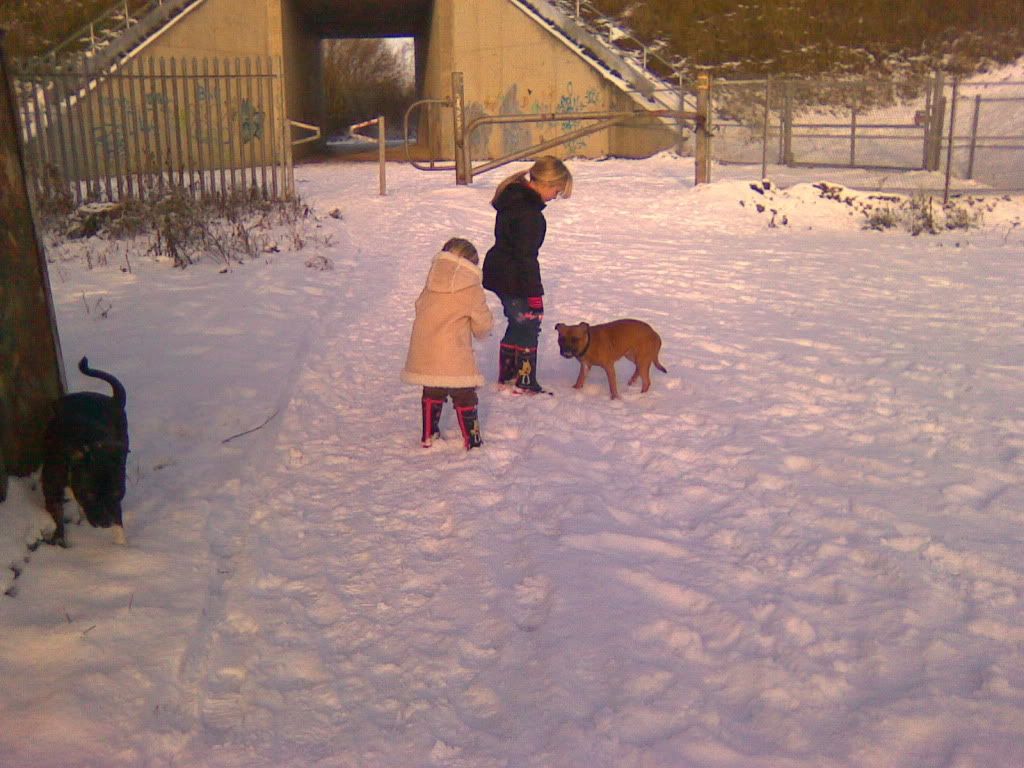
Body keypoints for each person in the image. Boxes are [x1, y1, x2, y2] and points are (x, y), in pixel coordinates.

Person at [482, 155, 573, 393]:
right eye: (556, 189)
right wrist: (534, 295)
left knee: (517, 321)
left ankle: (508, 376)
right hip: (513, 276)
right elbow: (526, 258)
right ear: (545, 183)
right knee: (529, 323)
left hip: (500, 271)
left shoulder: (513, 199)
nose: (555, 196)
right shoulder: (530, 214)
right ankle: (524, 381)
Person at [401, 238, 494, 449]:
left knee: (432, 388)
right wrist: (483, 330)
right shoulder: (471, 289)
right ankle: (472, 439)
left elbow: (419, 307)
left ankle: (428, 435)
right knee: (464, 393)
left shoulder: (431, 284)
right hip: (453, 352)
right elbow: (482, 324)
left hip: (425, 348)